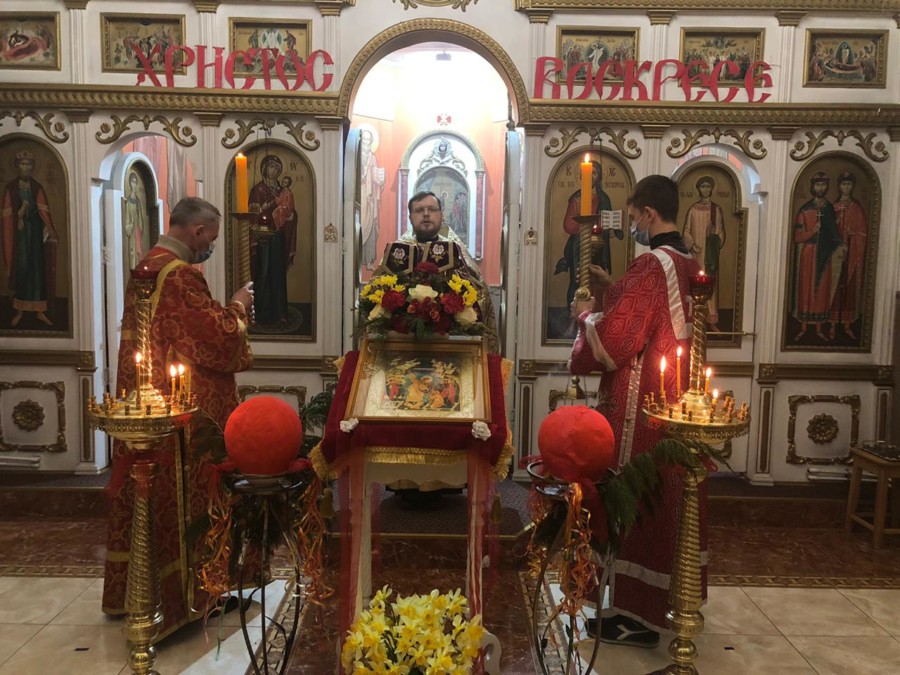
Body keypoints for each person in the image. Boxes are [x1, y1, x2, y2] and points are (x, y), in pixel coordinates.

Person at [102, 197, 255, 638]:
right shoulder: (180, 275)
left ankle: (136, 596)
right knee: (193, 498)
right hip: (187, 413)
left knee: (151, 498)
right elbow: (218, 339)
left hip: (149, 407)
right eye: (212, 238)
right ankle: (194, 597)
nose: (210, 247)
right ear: (198, 231)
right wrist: (238, 307)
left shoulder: (147, 266)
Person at [569, 175, 700, 648]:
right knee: (665, 494)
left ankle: (633, 612)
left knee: (634, 492)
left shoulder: (650, 264)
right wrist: (614, 289)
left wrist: (586, 315)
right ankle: (662, 601)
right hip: (677, 396)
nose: (632, 226)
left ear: (647, 213)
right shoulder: (687, 260)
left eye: (633, 217)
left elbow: (619, 342)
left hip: (640, 401)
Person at [379, 190, 499, 354]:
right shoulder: (397, 252)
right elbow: (376, 294)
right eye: (419, 210)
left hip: (449, 344)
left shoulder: (456, 251)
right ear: (410, 217)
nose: (426, 214)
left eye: (432, 209)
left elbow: (478, 296)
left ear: (441, 215)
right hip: (402, 343)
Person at [2, 150, 58, 328]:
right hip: (19, 237)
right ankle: (19, 310)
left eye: (28, 164)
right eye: (22, 164)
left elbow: (43, 212)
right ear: (17, 167)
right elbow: (8, 218)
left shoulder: (36, 187)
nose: (25, 167)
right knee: (22, 268)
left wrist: (50, 229)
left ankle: (40, 311)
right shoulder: (11, 188)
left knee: (37, 270)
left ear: (32, 167)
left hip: (35, 236)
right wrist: (21, 212)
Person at [557, 160, 620, 313]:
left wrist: (611, 228)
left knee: (597, 280)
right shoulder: (576, 198)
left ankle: (596, 314)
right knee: (577, 280)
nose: (591, 176)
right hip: (579, 245)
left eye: (595, 172)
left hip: (600, 245)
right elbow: (568, 225)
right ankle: (574, 314)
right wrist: (587, 226)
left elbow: (608, 220)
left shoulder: (604, 198)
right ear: (581, 175)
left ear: (599, 176)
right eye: (588, 172)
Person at [791, 172, 844, 342]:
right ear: (812, 187)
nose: (820, 188)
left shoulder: (829, 209)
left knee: (821, 291)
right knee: (806, 290)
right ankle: (803, 327)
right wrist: (811, 232)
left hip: (825, 255)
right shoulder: (805, 210)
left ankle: (820, 329)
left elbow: (834, 233)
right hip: (809, 254)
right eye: (817, 184)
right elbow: (797, 237)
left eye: (823, 185)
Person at [249, 154, 297, 325]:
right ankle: (260, 312)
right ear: (264, 169)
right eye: (271, 167)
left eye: (277, 168)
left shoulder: (283, 190)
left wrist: (291, 215)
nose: (274, 170)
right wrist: (268, 206)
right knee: (263, 272)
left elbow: (290, 210)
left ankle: (279, 312)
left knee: (277, 272)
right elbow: (253, 212)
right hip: (262, 238)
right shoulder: (258, 189)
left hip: (277, 237)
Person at [682, 175, 726, 329]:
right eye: (703, 186)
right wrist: (692, 245)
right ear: (698, 189)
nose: (706, 189)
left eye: (708, 186)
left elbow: (721, 232)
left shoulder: (716, 210)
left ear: (712, 189)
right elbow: (686, 231)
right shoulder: (693, 209)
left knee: (710, 285)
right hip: (696, 253)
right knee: (695, 284)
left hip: (710, 255)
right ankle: (694, 318)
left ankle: (711, 320)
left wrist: (715, 240)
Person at [828, 171, 867, 341]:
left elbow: (863, 233)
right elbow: (827, 231)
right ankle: (832, 325)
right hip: (835, 255)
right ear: (839, 186)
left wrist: (853, 234)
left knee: (848, 289)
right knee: (834, 288)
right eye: (843, 184)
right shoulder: (833, 207)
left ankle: (847, 325)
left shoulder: (856, 208)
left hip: (851, 255)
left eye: (849, 184)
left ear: (852, 186)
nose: (846, 187)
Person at [359, 128, 386, 269]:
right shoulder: (355, 156)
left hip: (370, 198)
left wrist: (380, 179)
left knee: (371, 226)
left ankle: (368, 261)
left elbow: (376, 178)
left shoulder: (373, 158)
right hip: (358, 196)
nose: (366, 143)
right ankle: (356, 260)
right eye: (364, 140)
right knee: (358, 226)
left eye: (368, 140)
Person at [123, 172, 145, 271]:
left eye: (136, 182)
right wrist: (131, 224)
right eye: (133, 182)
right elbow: (127, 221)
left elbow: (141, 217)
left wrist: (139, 226)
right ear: (130, 184)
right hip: (132, 232)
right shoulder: (128, 202)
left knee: (139, 253)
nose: (134, 185)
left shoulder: (138, 201)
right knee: (133, 253)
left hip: (138, 231)